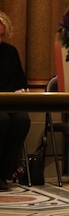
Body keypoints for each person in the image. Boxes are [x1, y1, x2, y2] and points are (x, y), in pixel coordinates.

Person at [0, 11, 30, 191]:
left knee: (22, 120)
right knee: (1, 121)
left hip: (9, 102)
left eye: (2, 35)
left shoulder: (10, 52)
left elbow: (21, 81)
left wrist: (21, 90)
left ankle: (4, 172)